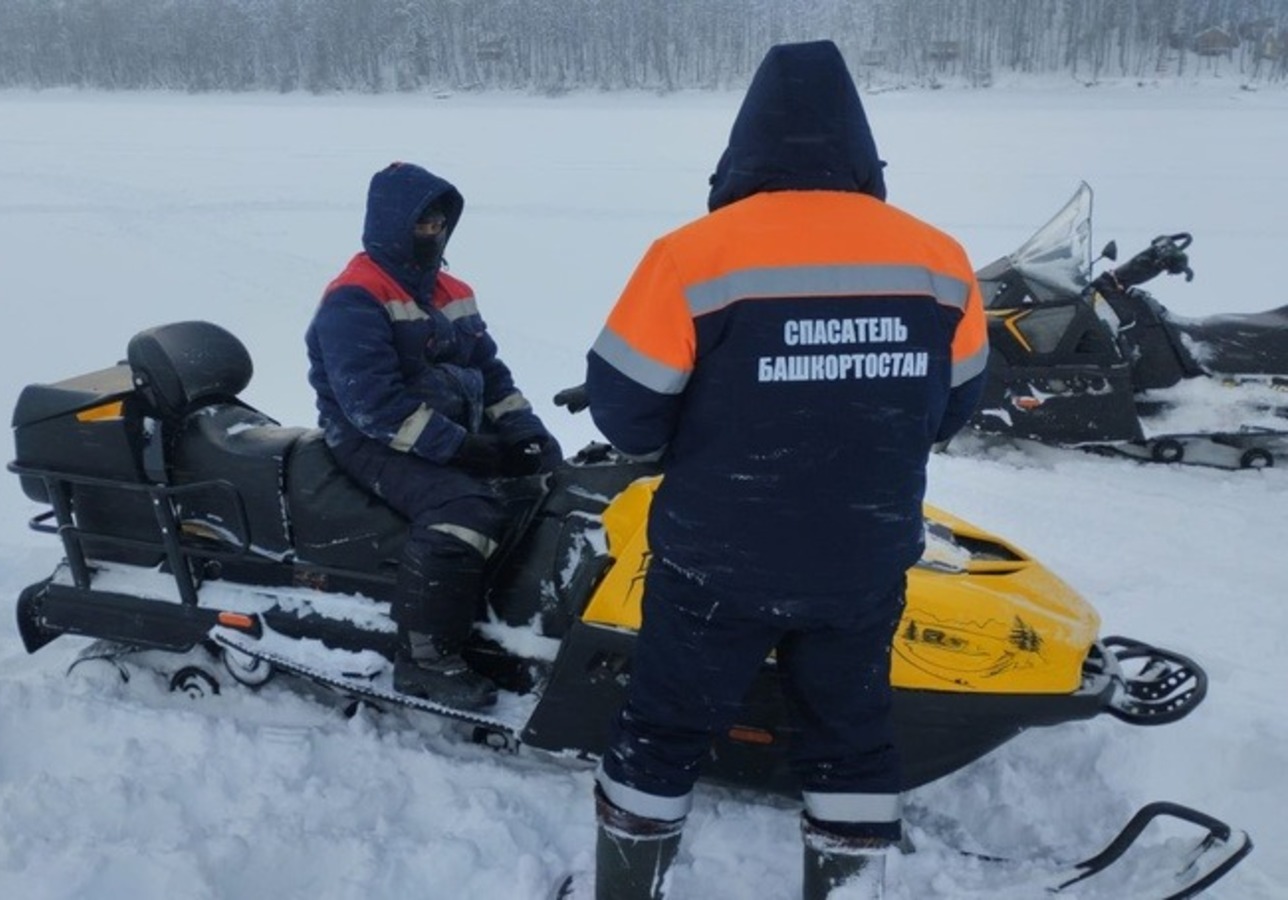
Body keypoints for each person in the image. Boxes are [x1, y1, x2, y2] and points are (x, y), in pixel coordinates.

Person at [579, 41, 988, 900]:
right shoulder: (940, 260)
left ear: (743, 146)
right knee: (851, 732)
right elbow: (954, 408)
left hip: (717, 559)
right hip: (862, 559)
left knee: (664, 728)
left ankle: (626, 890)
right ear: (860, 146)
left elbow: (624, 413)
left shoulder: (692, 256)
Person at [306, 161, 561, 711]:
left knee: (537, 491)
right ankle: (423, 657)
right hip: (367, 439)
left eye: (441, 224)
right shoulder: (355, 298)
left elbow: (491, 373)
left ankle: (502, 614)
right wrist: (467, 450)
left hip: (446, 427)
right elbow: (371, 406)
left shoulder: (451, 291)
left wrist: (525, 432)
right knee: (463, 509)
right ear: (392, 224)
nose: (433, 234)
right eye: (422, 225)